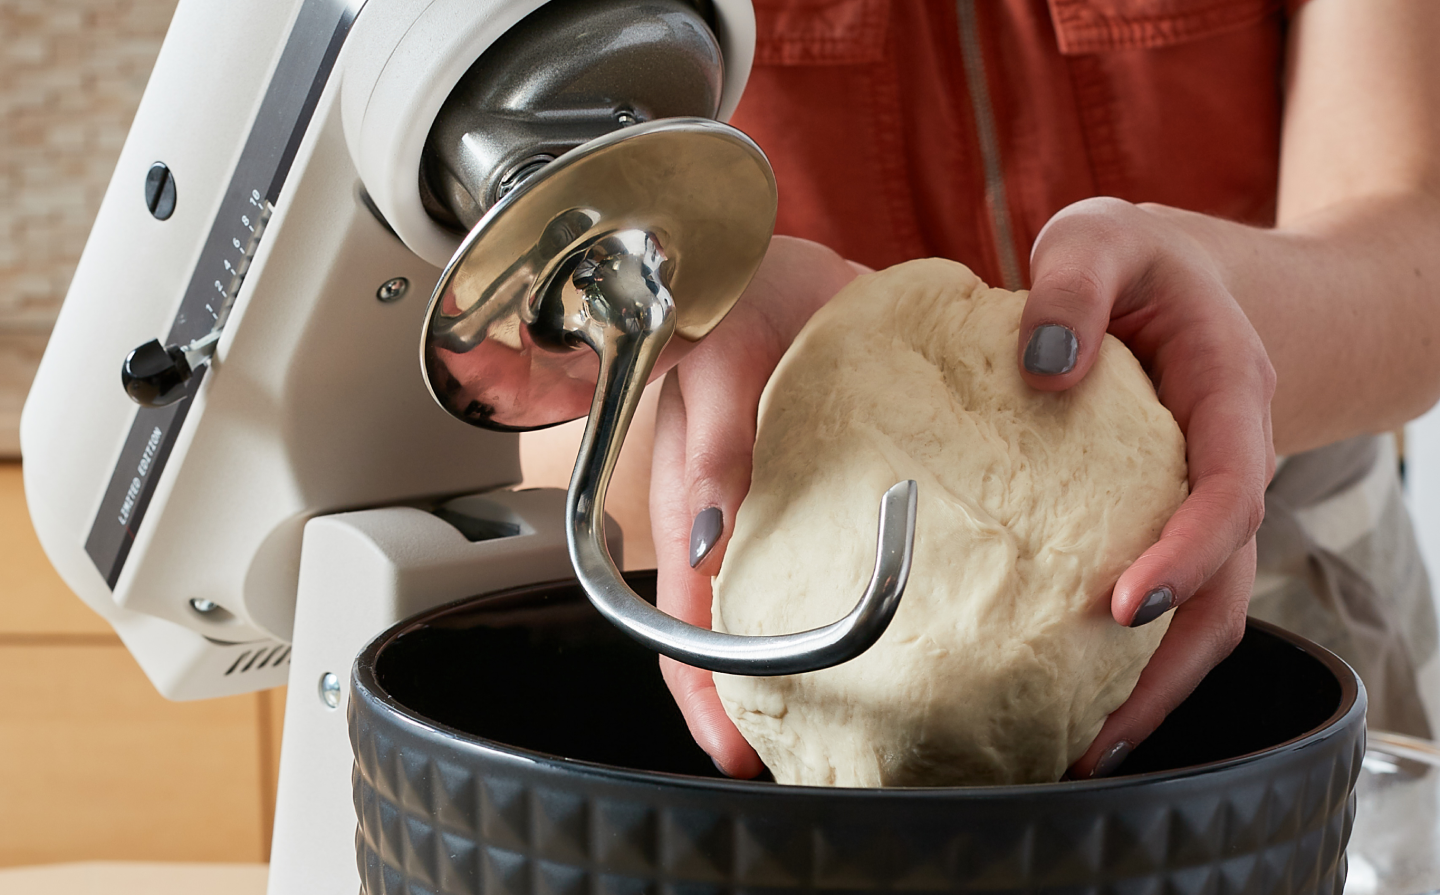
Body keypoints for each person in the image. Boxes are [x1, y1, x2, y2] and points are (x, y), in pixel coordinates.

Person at [524, 0, 1440, 779]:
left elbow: (1415, 237)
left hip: (1268, 590)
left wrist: (1221, 307)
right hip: (744, 636)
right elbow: (482, 317)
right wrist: (673, 322)